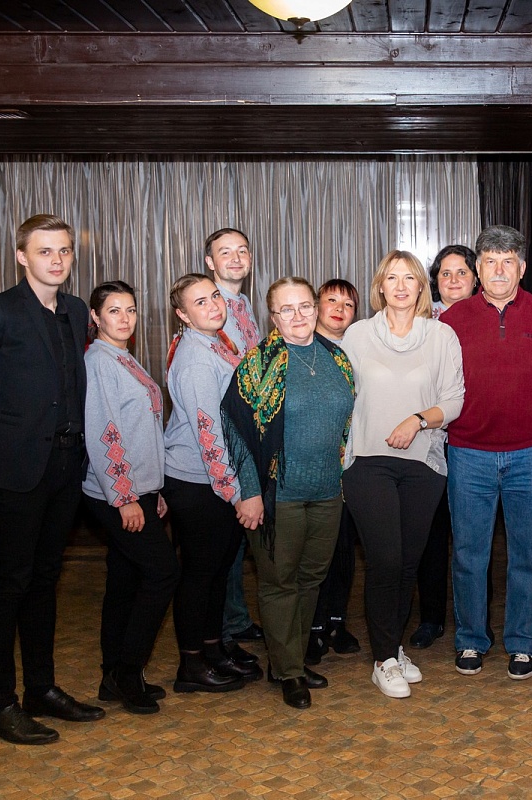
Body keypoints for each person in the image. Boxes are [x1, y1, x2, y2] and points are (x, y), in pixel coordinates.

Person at [0, 214, 105, 745]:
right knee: (8, 585)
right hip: (14, 472)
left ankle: (40, 689)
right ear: (21, 256)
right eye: (44, 251)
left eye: (64, 251)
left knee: (45, 580)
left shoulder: (74, 312)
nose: (56, 260)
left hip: (64, 467)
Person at [223, 277, 355, 710]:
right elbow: (237, 431)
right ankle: (289, 671)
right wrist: (249, 492)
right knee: (280, 582)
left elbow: (345, 426)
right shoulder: (259, 363)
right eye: (287, 309)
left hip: (327, 490)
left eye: (305, 306)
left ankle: (289, 659)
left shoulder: (336, 358)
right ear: (273, 317)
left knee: (311, 579)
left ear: (315, 309)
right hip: (279, 493)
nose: (298, 316)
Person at [340, 250, 465, 698]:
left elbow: (454, 400)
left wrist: (417, 420)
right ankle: (383, 660)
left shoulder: (441, 335)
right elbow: (341, 394)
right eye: (391, 277)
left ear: (420, 287)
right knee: (385, 560)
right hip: (367, 462)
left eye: (408, 278)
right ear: (380, 286)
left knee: (408, 562)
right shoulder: (358, 335)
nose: (400, 286)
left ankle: (392, 646)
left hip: (423, 464)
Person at [440, 229, 532, 678]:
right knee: (469, 554)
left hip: (531, 454)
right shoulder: (452, 319)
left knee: (529, 555)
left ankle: (524, 643)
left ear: (522, 268)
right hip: (468, 452)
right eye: (489, 261)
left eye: (507, 261)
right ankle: (471, 639)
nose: (498, 270)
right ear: (478, 269)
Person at [80, 281, 179, 715]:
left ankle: (112, 677)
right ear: (95, 317)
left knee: (124, 581)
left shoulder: (123, 357)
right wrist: (124, 498)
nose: (124, 318)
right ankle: (128, 670)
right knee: (163, 573)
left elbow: (144, 432)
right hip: (115, 494)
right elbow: (104, 434)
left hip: (141, 490)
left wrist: (154, 488)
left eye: (131, 310)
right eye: (114, 311)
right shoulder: (99, 361)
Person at [163, 273, 263, 694]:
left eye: (215, 297)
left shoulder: (216, 343)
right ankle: (190, 664)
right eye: (200, 302)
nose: (213, 306)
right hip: (198, 481)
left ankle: (213, 649)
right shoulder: (195, 358)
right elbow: (210, 436)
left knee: (219, 571)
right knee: (199, 574)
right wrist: (238, 494)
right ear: (183, 314)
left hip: (218, 478)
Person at [412, 244, 483, 650]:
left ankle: (475, 620)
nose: (454, 280)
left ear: (475, 279)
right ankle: (432, 617)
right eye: (445, 273)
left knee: (476, 540)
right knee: (432, 533)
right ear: (435, 281)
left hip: (477, 441)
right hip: (432, 442)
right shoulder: (421, 323)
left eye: (462, 272)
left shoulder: (488, 317)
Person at [203, 228, 267, 656]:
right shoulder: (211, 307)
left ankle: (236, 618)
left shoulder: (242, 305)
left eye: (242, 250)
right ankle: (221, 632)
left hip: (248, 434)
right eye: (225, 252)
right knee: (222, 546)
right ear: (210, 262)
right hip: (222, 440)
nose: (236, 258)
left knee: (239, 539)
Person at [306, 279, 365, 663]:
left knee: (344, 549)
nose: (340, 309)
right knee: (317, 552)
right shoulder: (304, 347)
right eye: (332, 301)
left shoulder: (359, 349)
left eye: (348, 304)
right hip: (315, 467)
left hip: (352, 464)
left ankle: (336, 622)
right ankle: (312, 626)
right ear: (316, 306)